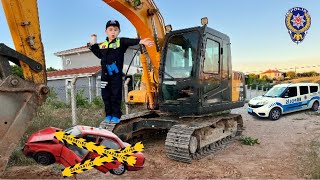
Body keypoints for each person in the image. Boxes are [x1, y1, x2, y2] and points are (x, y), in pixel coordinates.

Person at [89, 20, 153, 123]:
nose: (113, 32)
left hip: (115, 75)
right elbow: (98, 54)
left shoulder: (121, 42)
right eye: (110, 30)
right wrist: (92, 44)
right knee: (105, 95)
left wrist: (141, 41)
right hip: (105, 76)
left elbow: (130, 41)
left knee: (115, 95)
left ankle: (116, 115)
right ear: (106, 31)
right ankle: (108, 114)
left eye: (115, 30)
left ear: (119, 31)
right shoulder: (104, 45)